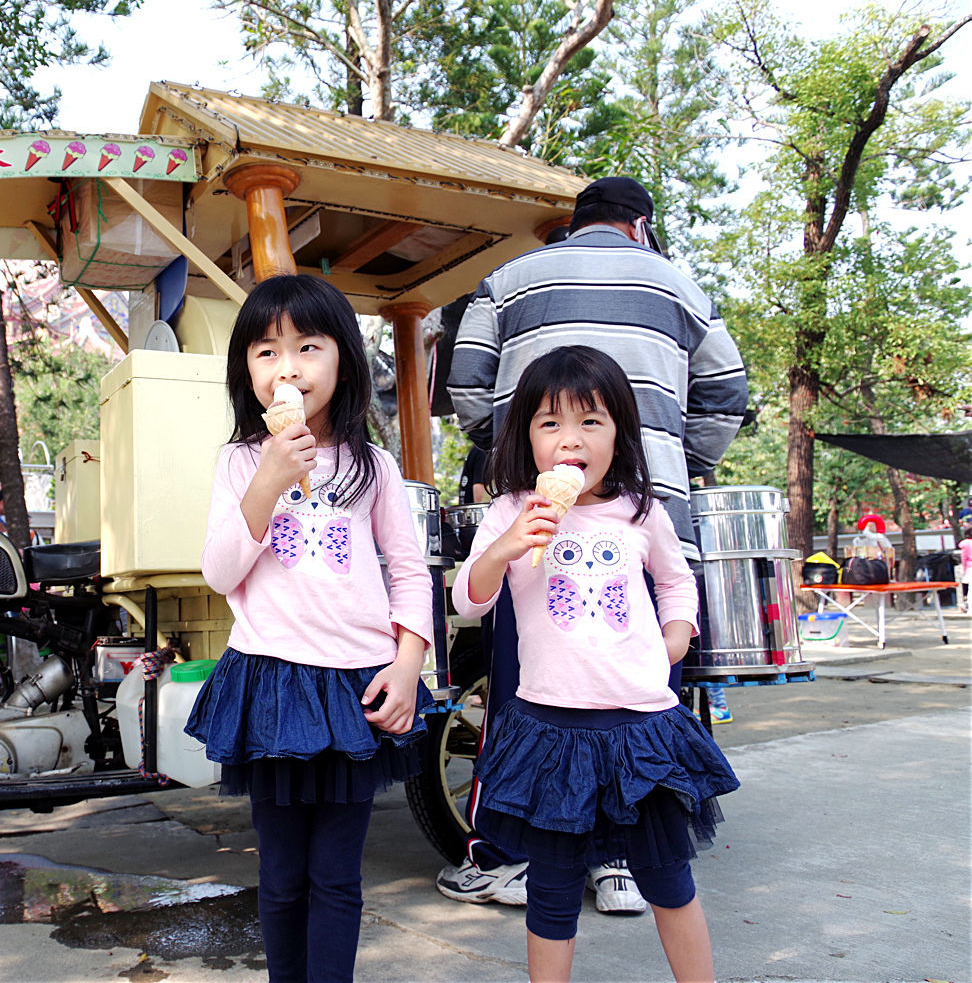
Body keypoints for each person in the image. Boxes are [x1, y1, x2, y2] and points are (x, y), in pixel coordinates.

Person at [442, 175, 748, 910]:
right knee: (644, 698)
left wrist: (519, 449)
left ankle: (514, 852)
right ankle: (621, 864)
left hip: (586, 524)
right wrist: (677, 458)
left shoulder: (506, 281)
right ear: (640, 225)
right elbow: (727, 390)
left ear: (570, 225)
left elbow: (466, 389)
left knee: (524, 698)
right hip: (645, 504)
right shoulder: (680, 283)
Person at [452, 346, 738, 983]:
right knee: (552, 891)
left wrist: (675, 637)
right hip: (550, 730)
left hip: (642, 727)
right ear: (527, 435)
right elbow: (469, 600)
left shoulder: (640, 510)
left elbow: (676, 579)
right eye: (550, 423)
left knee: (669, 879)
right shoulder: (510, 512)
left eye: (591, 422)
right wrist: (505, 545)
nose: (569, 440)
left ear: (620, 435)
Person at [183, 274, 436, 982]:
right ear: (247, 371)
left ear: (343, 363)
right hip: (271, 681)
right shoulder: (239, 462)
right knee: (283, 875)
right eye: (265, 352)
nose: (286, 368)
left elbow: (411, 574)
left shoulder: (373, 466)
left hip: (355, 687)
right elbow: (219, 571)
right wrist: (267, 478)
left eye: (307, 348)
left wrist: (409, 661)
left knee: (337, 878)